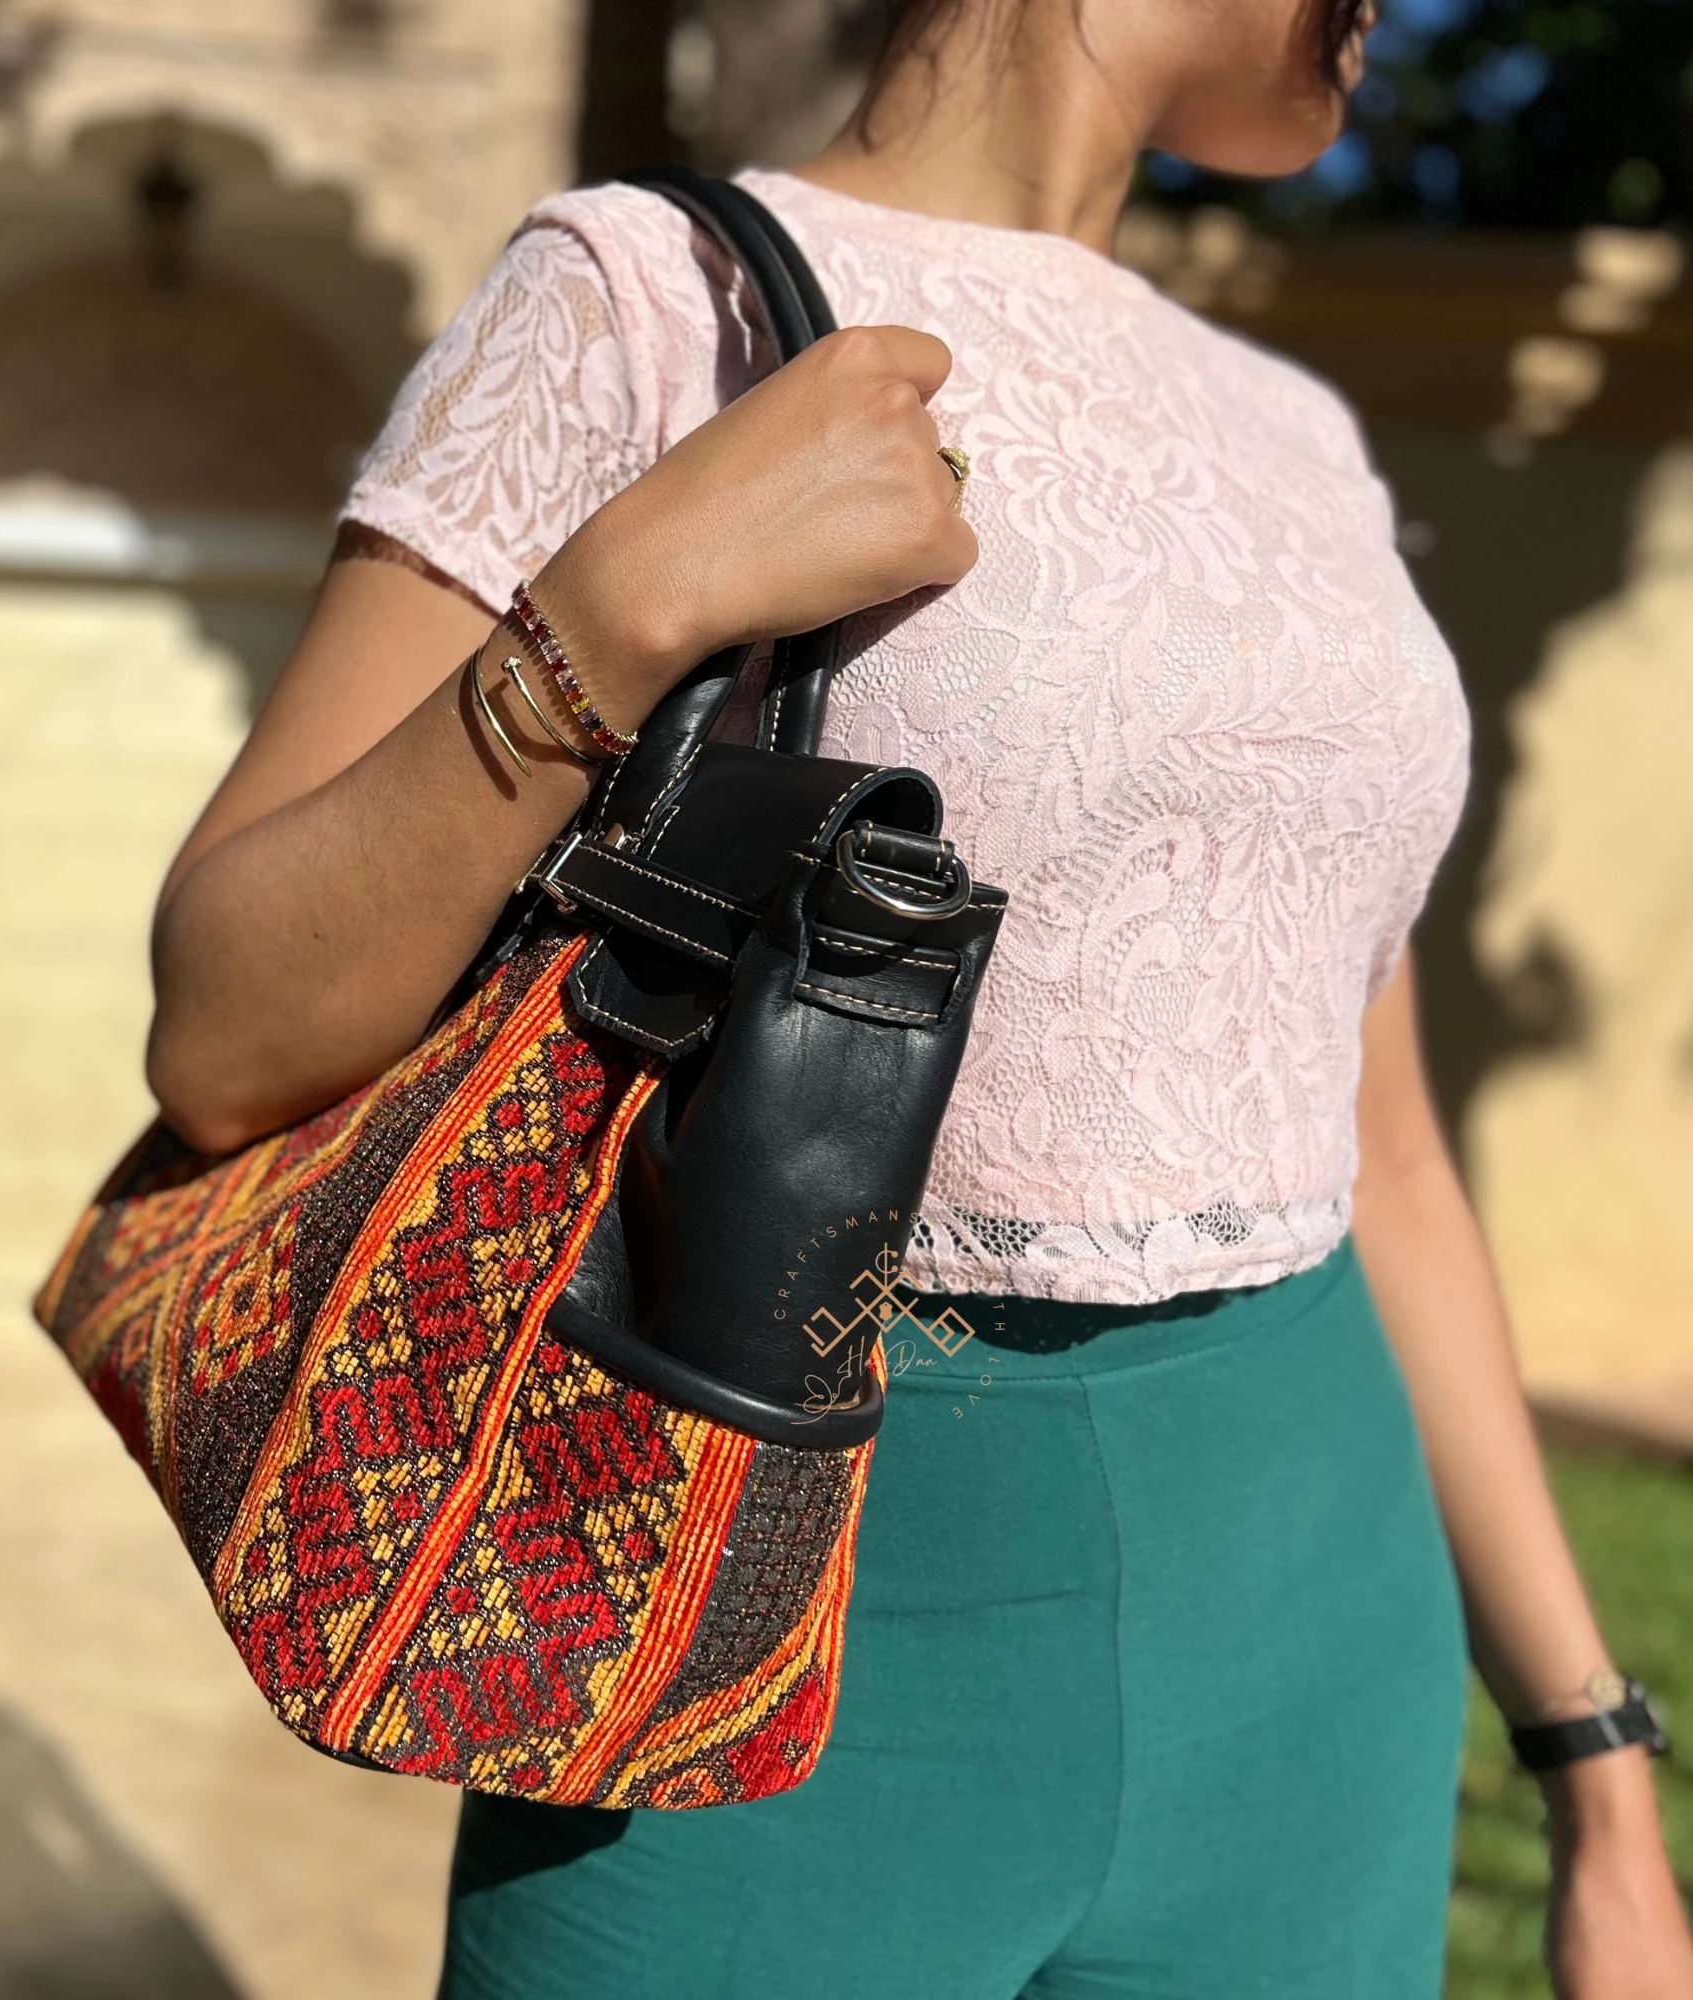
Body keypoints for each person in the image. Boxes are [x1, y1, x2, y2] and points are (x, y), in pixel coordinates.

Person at [141, 0, 1693, 1992]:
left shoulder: (1293, 438)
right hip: (757, 1600)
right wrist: (623, 604)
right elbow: (223, 1034)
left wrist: (1593, 1767)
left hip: (1321, 1632)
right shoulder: (650, 298)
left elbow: (1381, 1155)